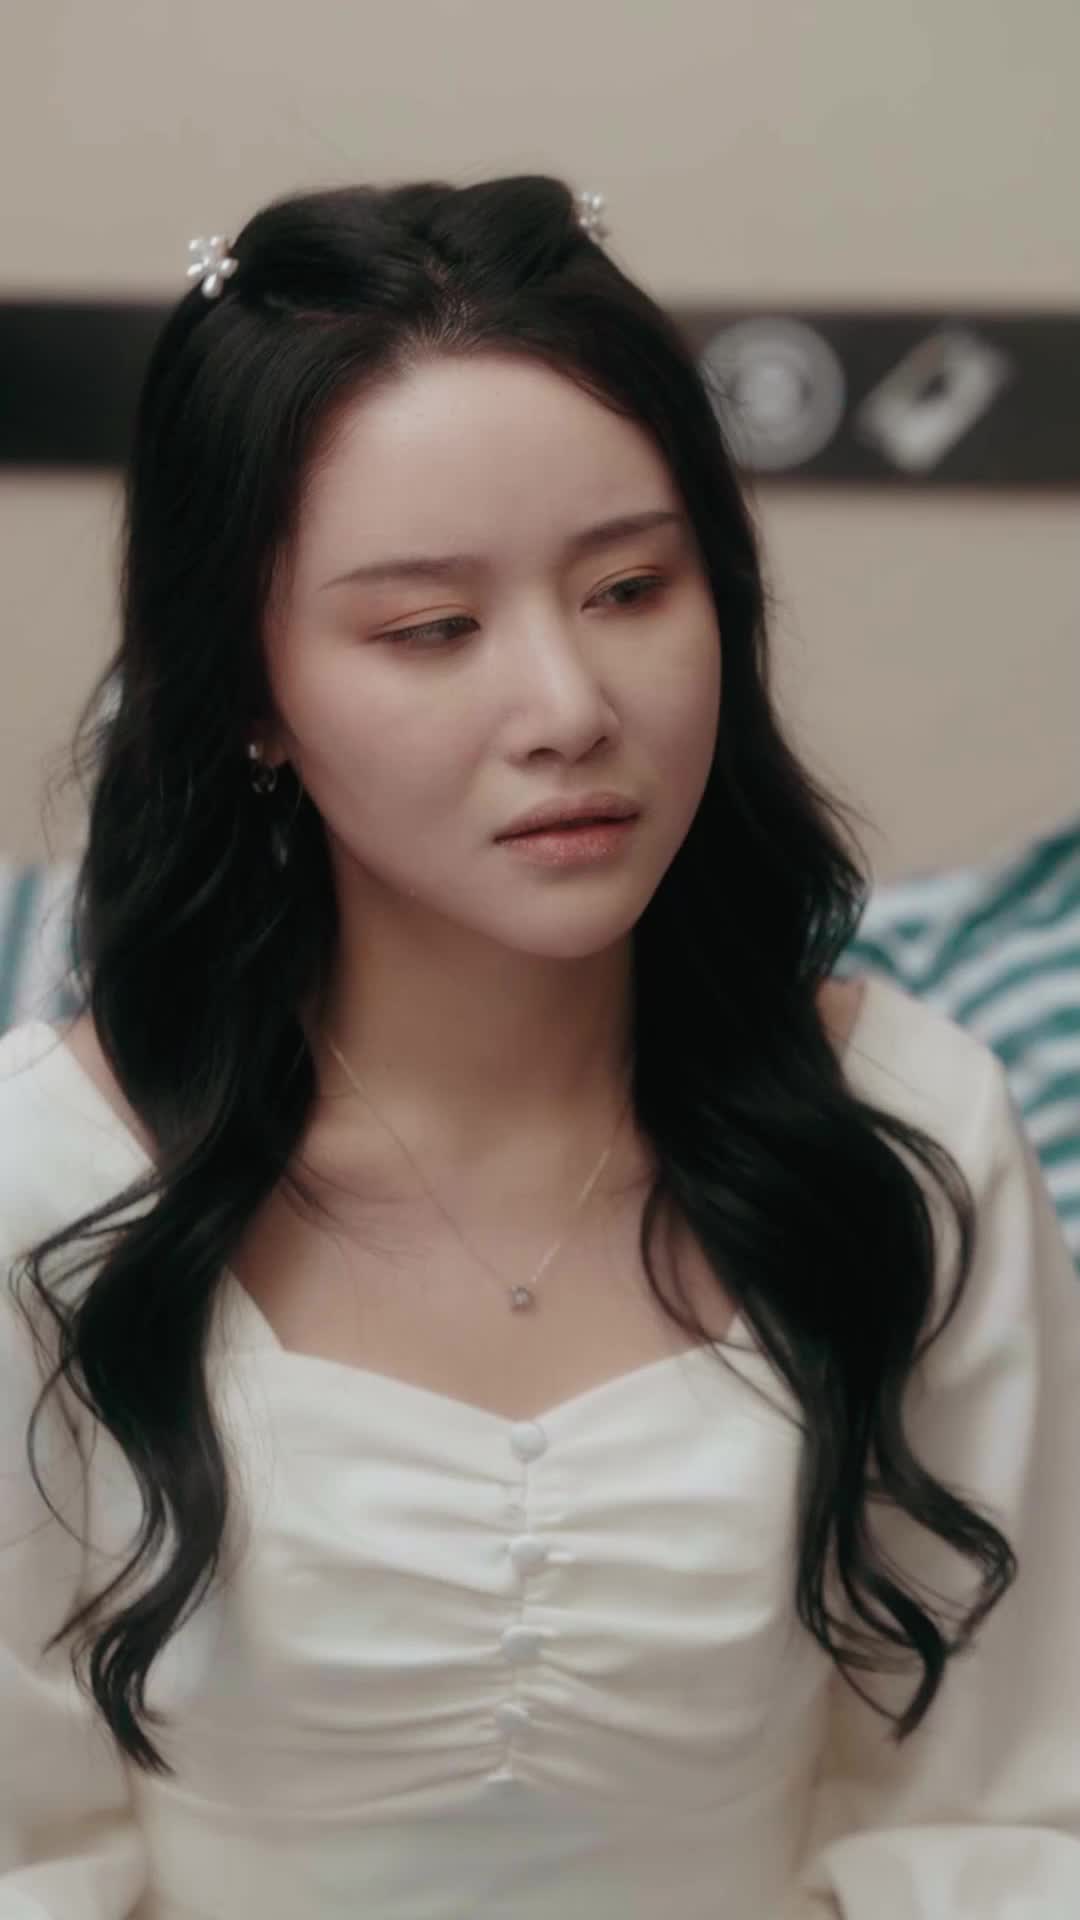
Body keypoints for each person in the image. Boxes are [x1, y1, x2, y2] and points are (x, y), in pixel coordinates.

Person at [1, 175, 1078, 1920]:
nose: (570, 710)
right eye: (432, 630)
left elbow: (1015, 1815)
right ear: (251, 693)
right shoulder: (48, 1188)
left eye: (632, 589)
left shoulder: (910, 1134)